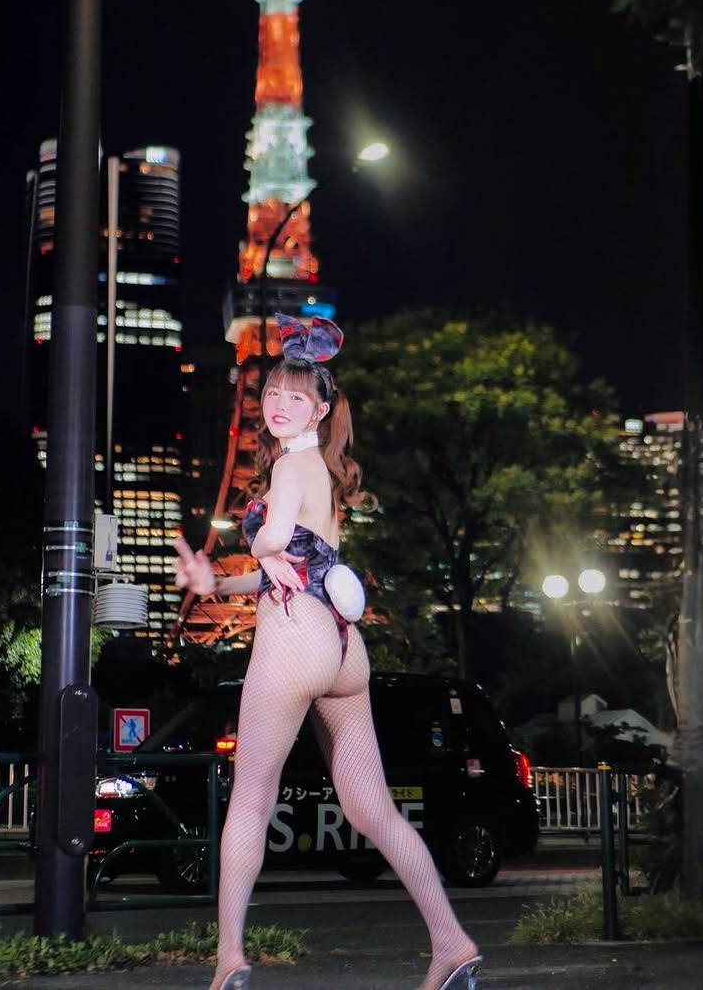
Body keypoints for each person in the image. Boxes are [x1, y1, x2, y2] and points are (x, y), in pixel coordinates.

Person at [173, 312, 481, 990]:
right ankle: (451, 940)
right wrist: (217, 581)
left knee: (250, 800)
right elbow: (295, 563)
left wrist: (259, 546)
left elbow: (274, 541)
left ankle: (229, 957)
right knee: (372, 809)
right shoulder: (322, 471)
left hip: (293, 640)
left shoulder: (290, 466)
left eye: (295, 395)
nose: (277, 404)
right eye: (270, 393)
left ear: (319, 408)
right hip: (343, 649)